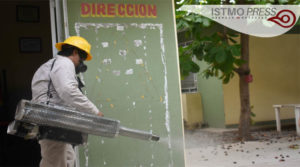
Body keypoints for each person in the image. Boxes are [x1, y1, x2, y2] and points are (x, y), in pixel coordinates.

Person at [31, 36, 103, 167]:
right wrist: (94, 111)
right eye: (82, 58)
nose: (81, 62)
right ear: (75, 52)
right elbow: (68, 91)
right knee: (55, 162)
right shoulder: (64, 63)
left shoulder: (54, 64)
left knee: (68, 158)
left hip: (54, 120)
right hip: (52, 120)